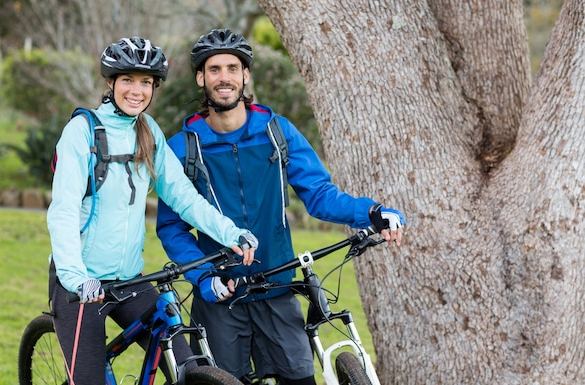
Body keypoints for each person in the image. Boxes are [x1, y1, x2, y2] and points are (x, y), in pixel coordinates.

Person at [156, 29, 405, 385]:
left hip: (278, 287)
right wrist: (203, 278)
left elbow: (319, 194)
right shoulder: (181, 148)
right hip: (220, 298)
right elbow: (171, 227)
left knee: (300, 379)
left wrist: (370, 213)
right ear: (201, 77)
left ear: (245, 75)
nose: (223, 77)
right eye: (214, 69)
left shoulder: (277, 132)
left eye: (232, 68)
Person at [47, 36, 258, 385]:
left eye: (146, 82)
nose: (137, 90)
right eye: (128, 80)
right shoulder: (81, 131)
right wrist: (75, 277)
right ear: (111, 83)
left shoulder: (148, 132)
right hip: (82, 284)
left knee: (189, 368)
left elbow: (184, 197)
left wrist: (230, 233)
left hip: (131, 280)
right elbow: (64, 211)